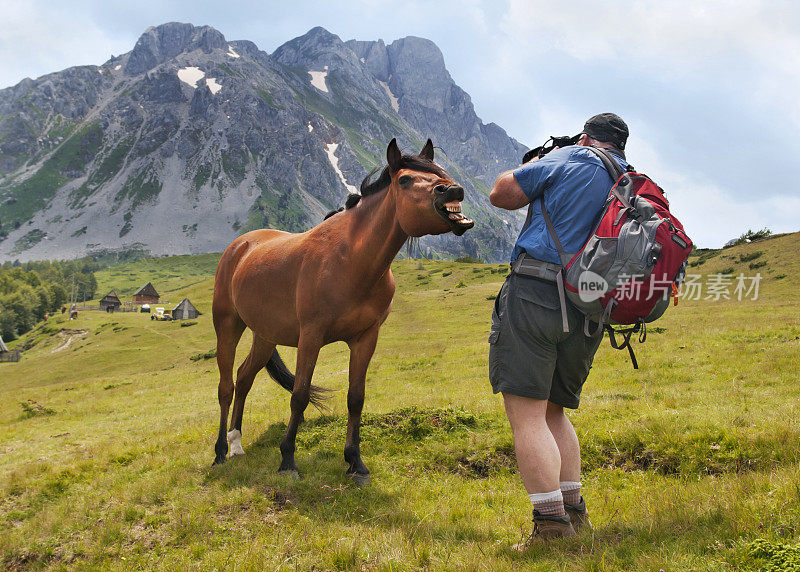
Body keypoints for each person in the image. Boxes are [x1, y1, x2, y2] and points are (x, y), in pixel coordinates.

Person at [488, 113, 630, 545]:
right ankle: (574, 513)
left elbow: (502, 193)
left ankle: (550, 526)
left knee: (527, 412)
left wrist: (545, 157)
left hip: (537, 292)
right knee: (554, 410)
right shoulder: (628, 179)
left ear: (588, 137)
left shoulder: (573, 156)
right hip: (590, 305)